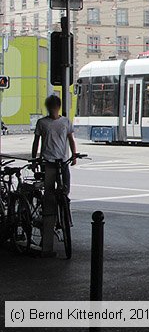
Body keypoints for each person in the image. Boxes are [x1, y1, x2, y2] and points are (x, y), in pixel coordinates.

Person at [31, 95, 78, 258]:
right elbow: (36, 141)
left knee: (65, 192)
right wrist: (35, 159)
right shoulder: (42, 123)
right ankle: (52, 218)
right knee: (50, 195)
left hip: (63, 161)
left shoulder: (65, 122)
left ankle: (64, 216)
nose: (52, 110)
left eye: (54, 107)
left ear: (57, 107)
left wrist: (74, 155)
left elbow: (71, 139)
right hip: (48, 161)